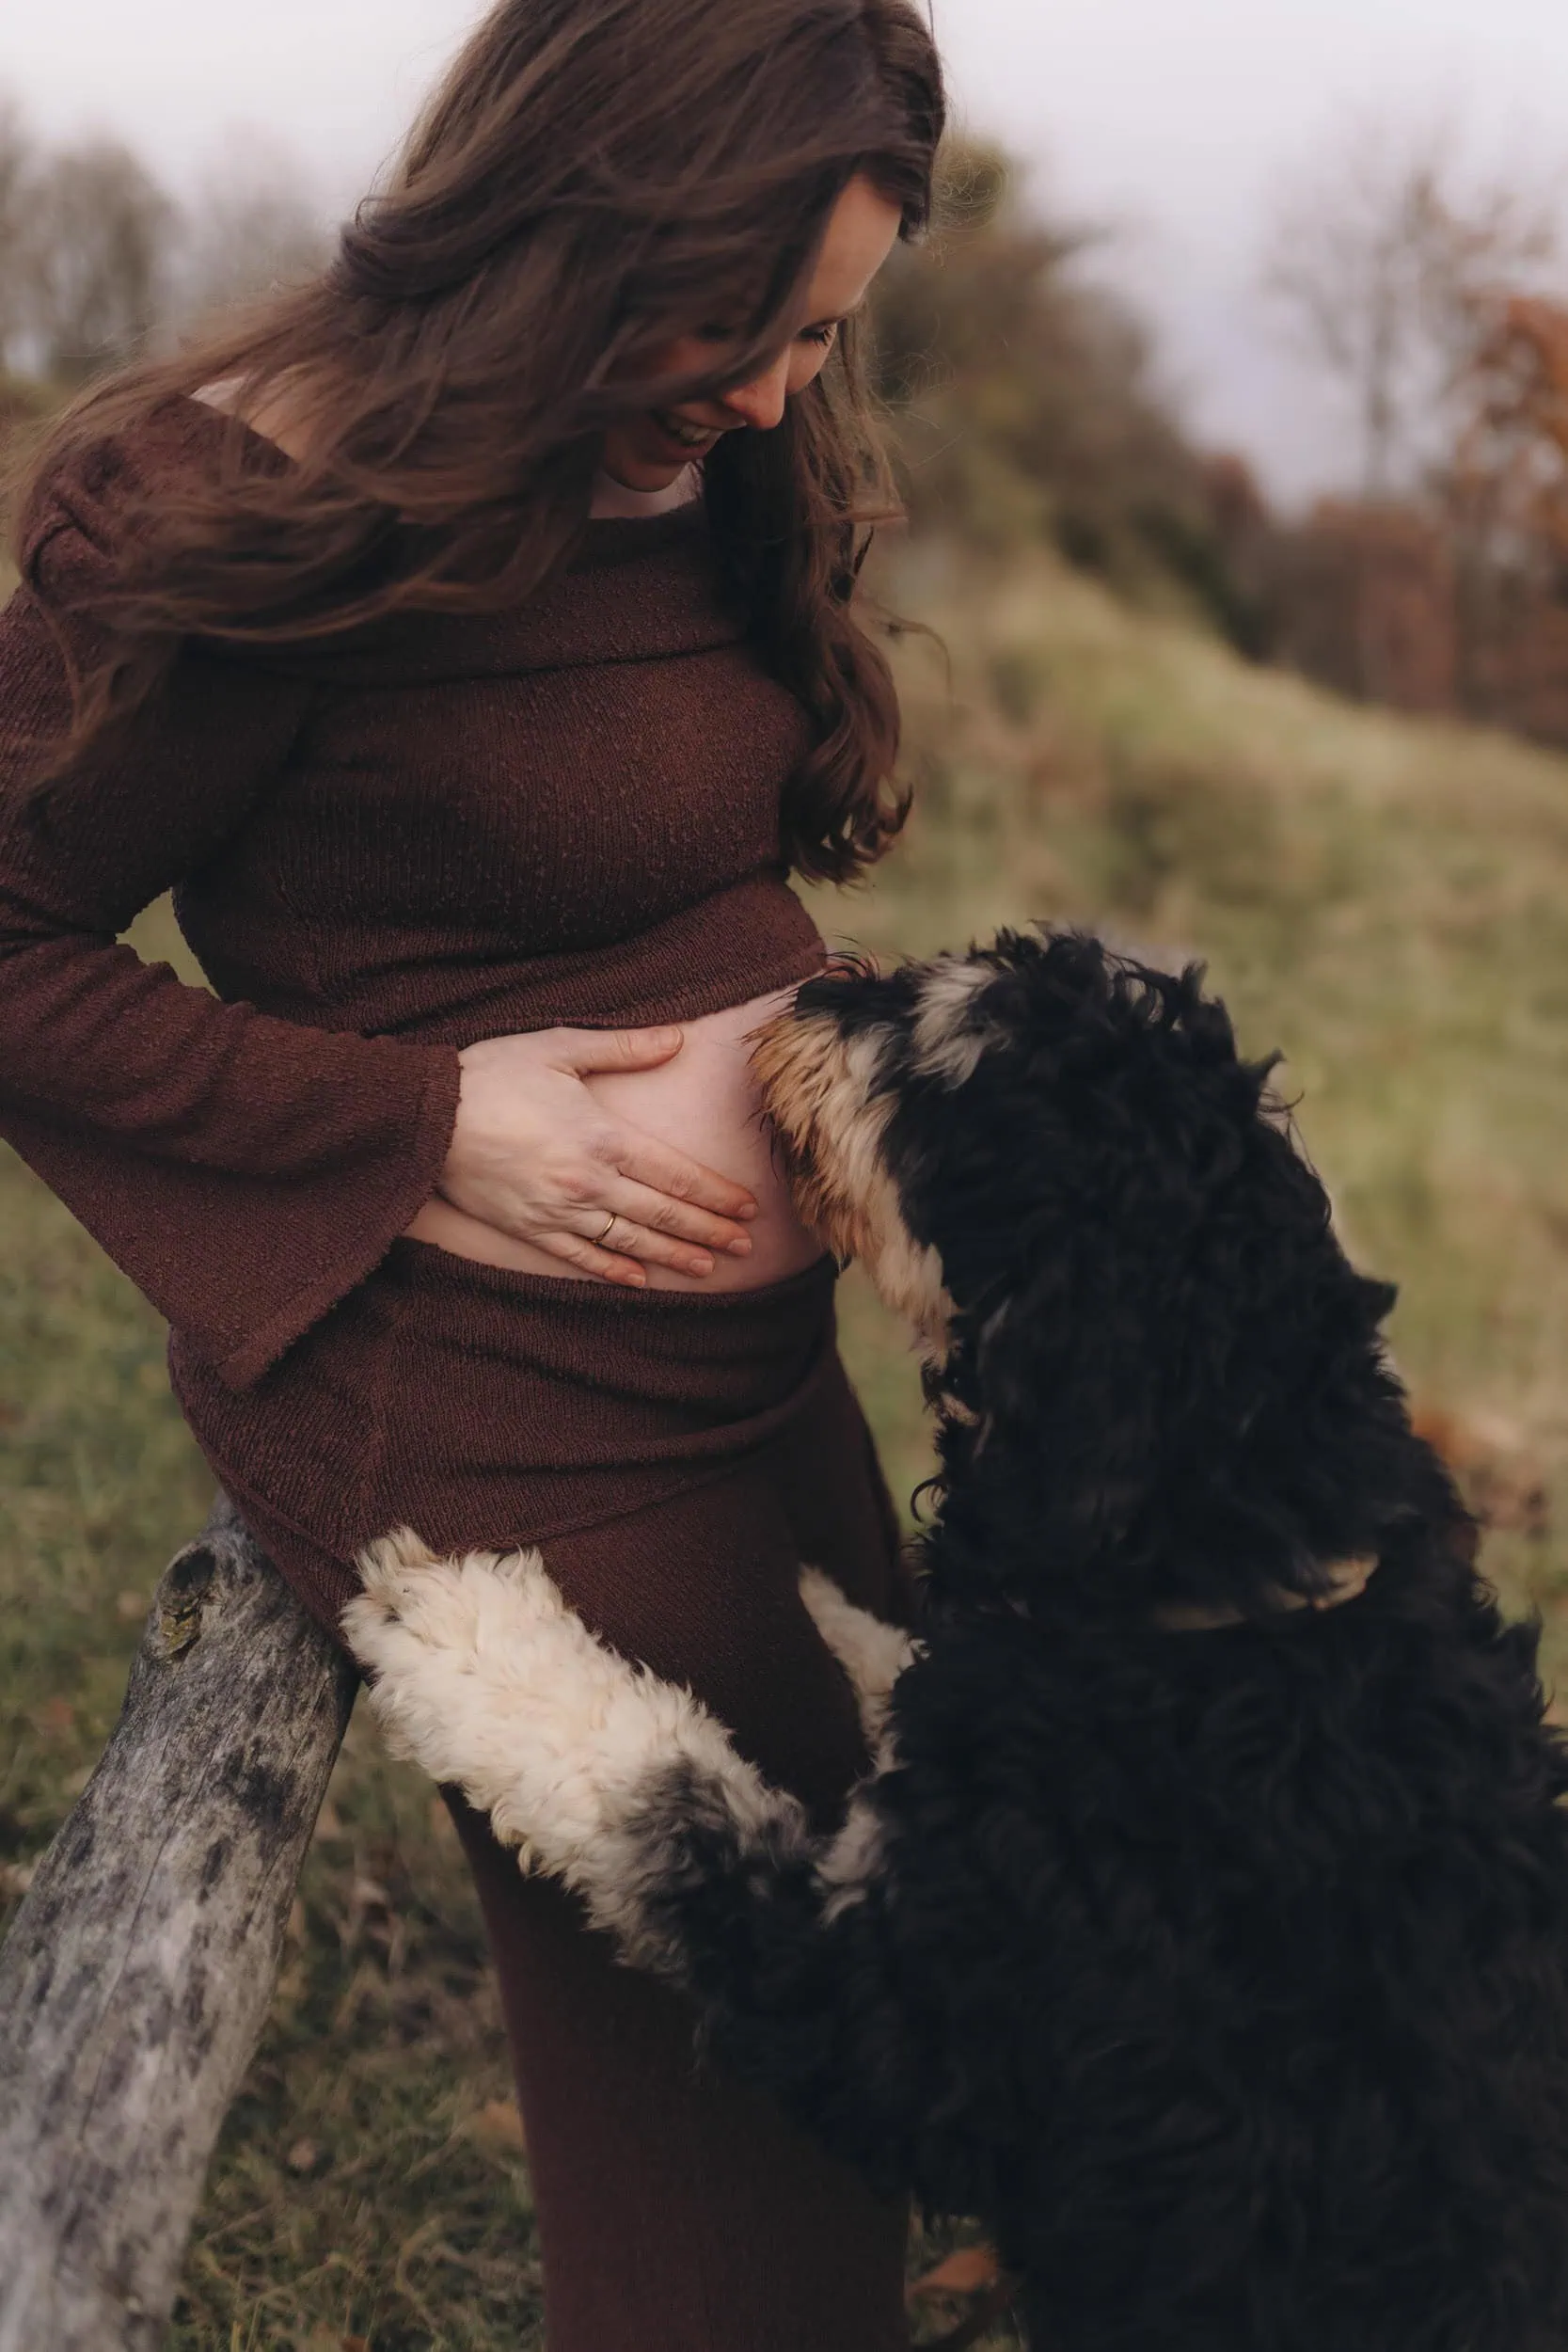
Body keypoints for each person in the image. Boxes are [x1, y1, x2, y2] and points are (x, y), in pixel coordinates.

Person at [0, 1, 945, 2344]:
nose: (776, 396)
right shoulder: (235, 514)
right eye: (744, 325)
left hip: (760, 1376)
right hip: (502, 1423)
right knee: (744, 2165)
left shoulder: (710, 441)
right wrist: (416, 1126)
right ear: (571, 226)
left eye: (827, 333)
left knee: (896, 1929)